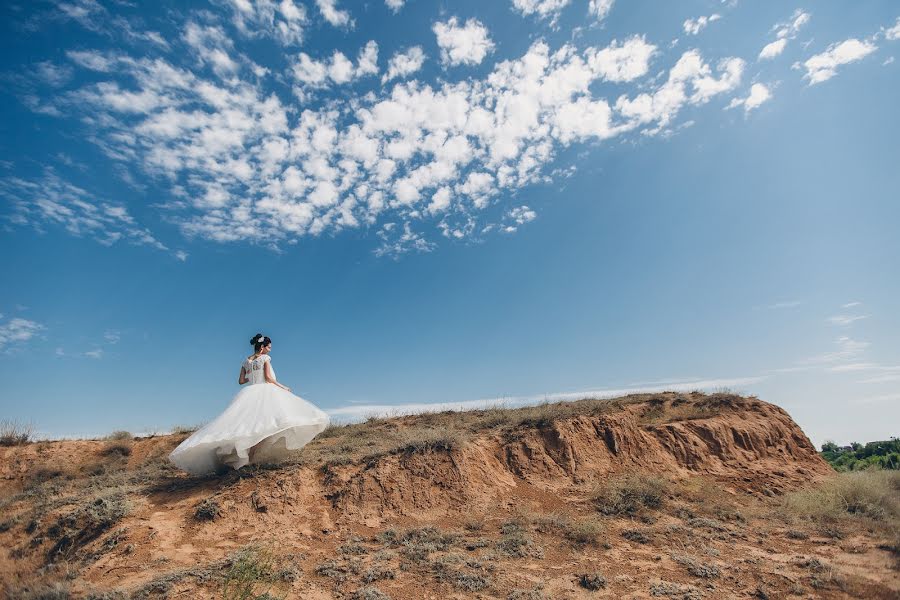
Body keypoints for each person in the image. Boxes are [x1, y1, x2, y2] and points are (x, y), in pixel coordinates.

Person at [169, 333, 330, 475]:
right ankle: (250, 459)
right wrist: (282, 386)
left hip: (249, 392)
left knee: (248, 426)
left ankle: (245, 459)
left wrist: (252, 376)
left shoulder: (246, 361)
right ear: (262, 347)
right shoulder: (265, 359)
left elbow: (240, 381)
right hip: (264, 393)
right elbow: (268, 378)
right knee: (264, 425)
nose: (270, 349)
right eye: (269, 347)